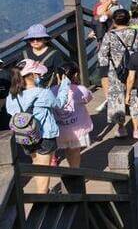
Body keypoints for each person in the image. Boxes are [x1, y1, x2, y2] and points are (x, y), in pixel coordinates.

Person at [6, 59, 72, 193]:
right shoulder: (42, 92)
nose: (40, 76)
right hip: (45, 136)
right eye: (38, 74)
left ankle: (44, 192)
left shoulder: (12, 96)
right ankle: (42, 199)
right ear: (33, 75)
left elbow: (11, 112)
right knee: (44, 169)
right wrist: (65, 84)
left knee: (36, 165)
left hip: (25, 136)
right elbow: (59, 104)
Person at [98, 7, 138, 138]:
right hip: (134, 69)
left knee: (117, 99)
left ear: (114, 21)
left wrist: (104, 74)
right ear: (129, 20)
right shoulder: (136, 33)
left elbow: (103, 55)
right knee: (134, 98)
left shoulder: (109, 35)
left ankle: (121, 128)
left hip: (115, 70)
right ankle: (136, 129)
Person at [52, 62, 93, 168]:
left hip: (61, 129)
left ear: (57, 76)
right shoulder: (80, 90)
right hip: (78, 128)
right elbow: (88, 98)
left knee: (67, 150)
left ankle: (72, 169)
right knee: (75, 151)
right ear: (75, 75)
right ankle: (75, 171)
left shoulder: (52, 91)